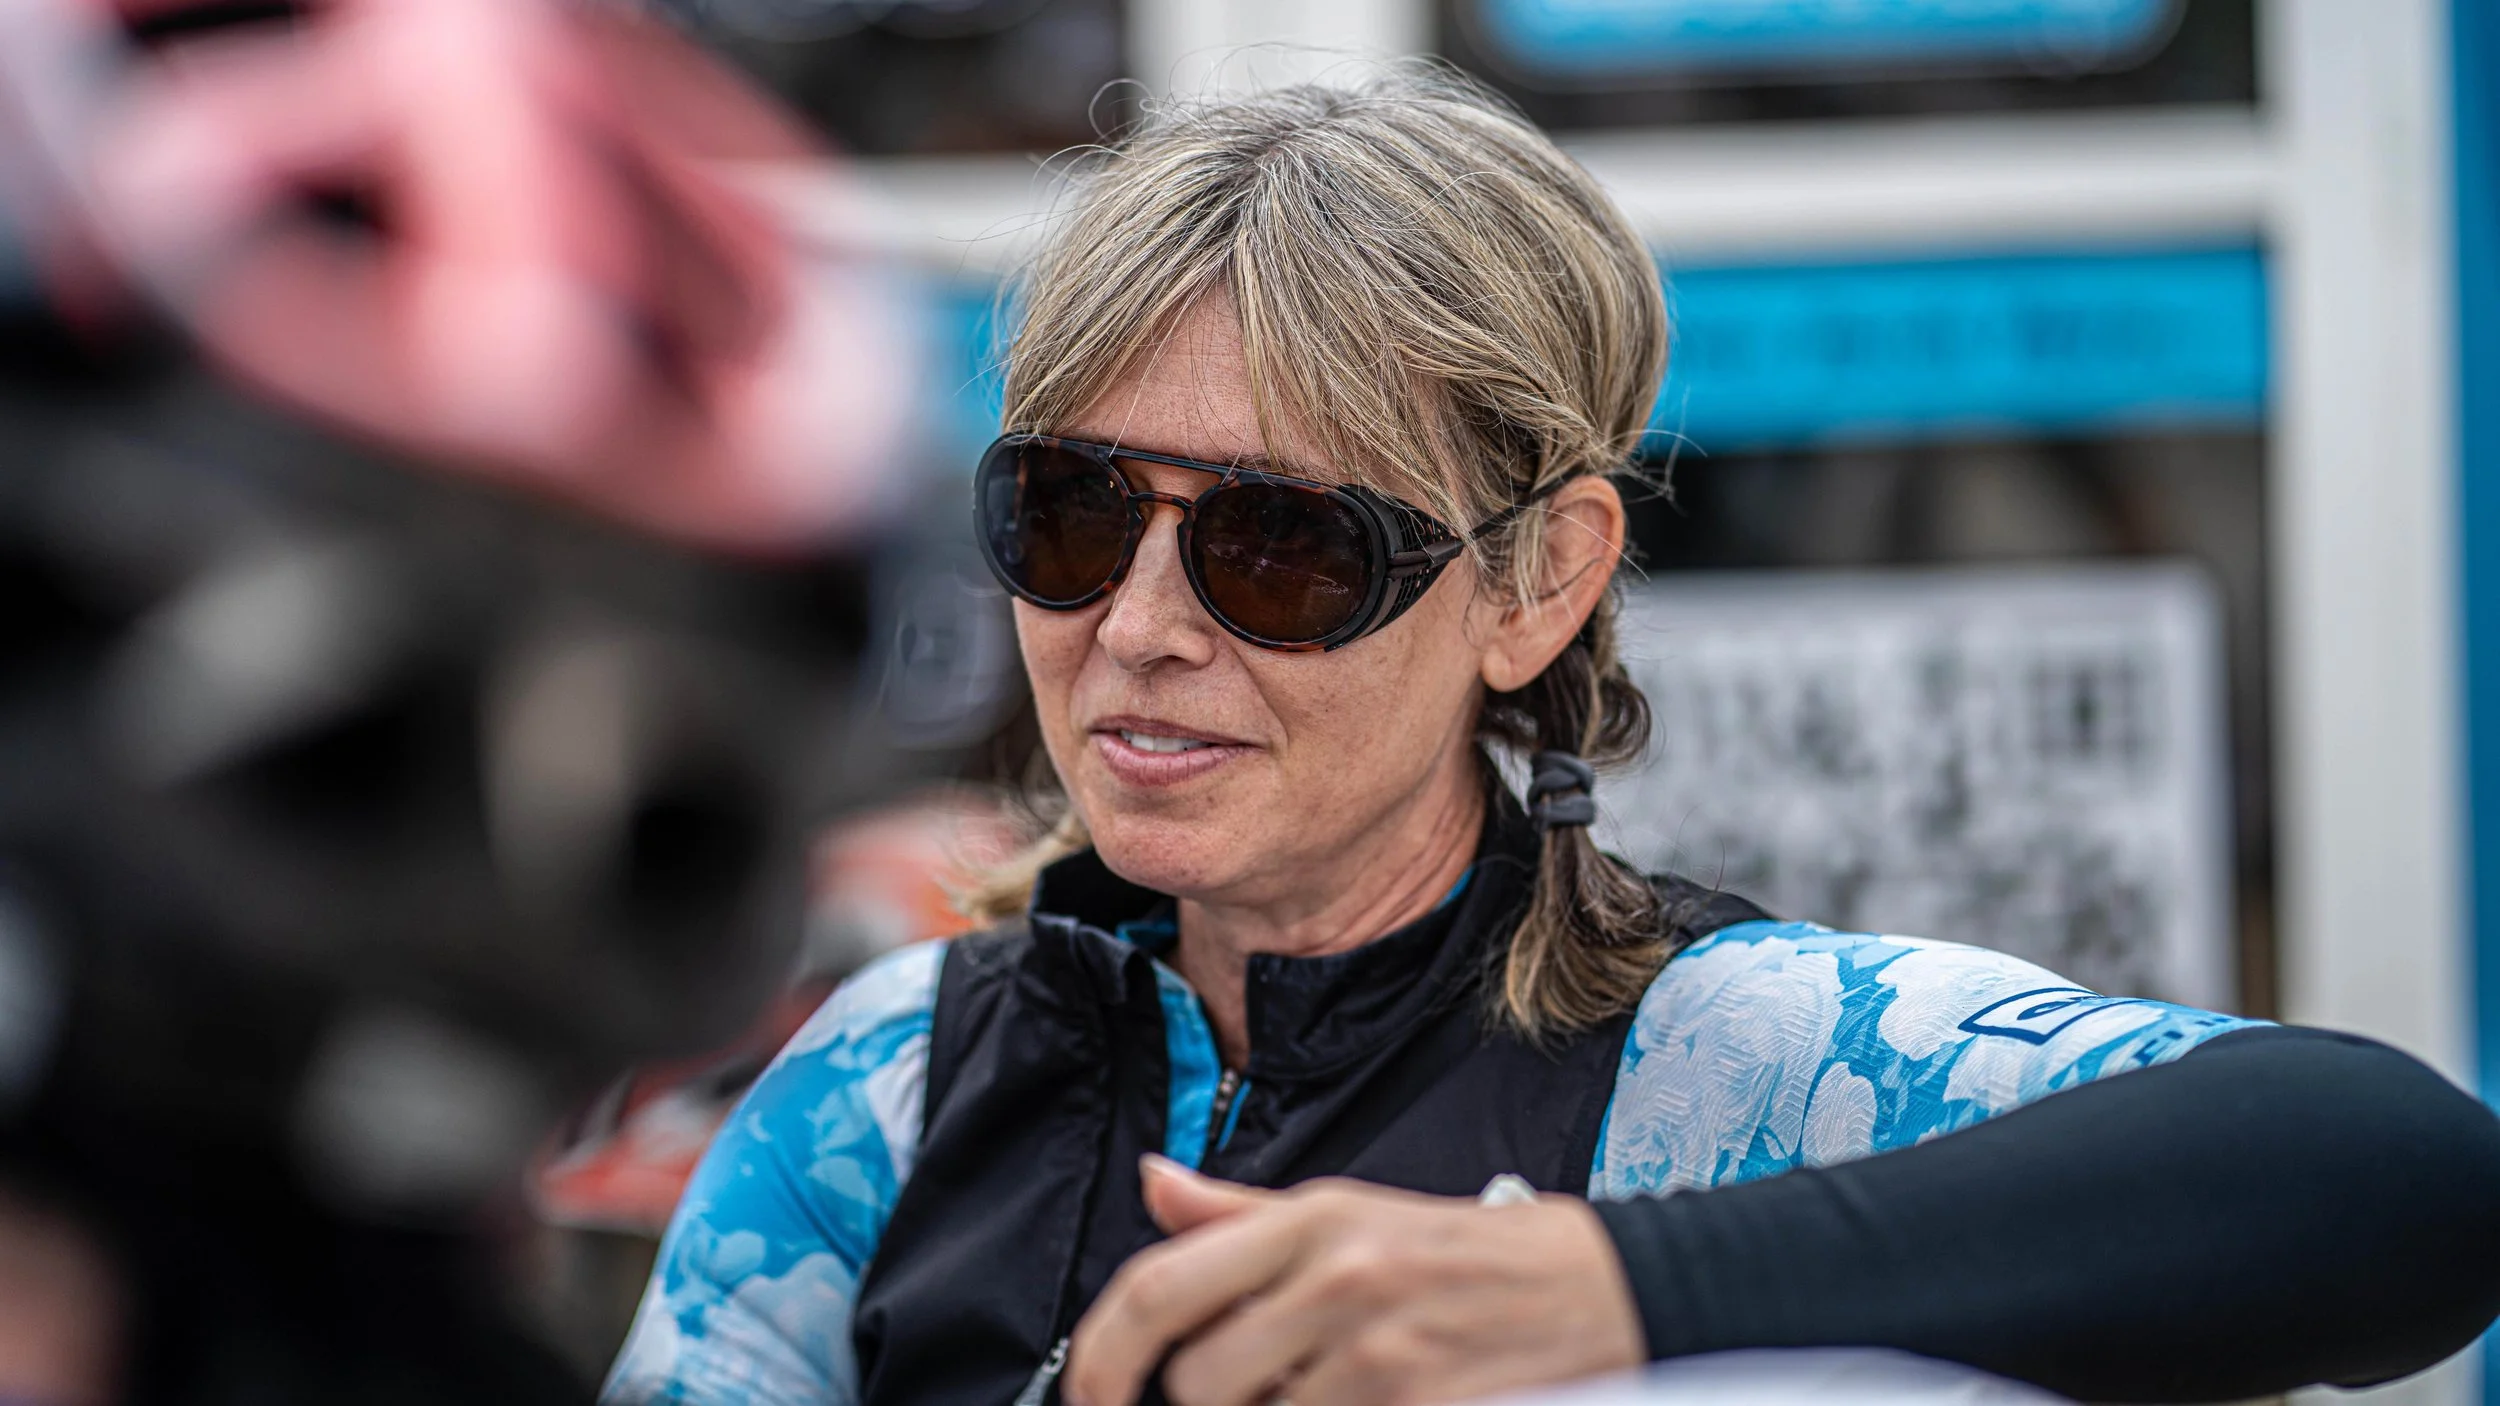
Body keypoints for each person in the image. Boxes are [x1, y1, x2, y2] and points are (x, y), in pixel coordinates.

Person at [604, 66, 2500, 1406]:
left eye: (1282, 539)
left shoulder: (1726, 1059)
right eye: (1073, 516)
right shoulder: (892, 1082)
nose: (1142, 629)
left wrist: (1591, 1292)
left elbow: (2401, 1176)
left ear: (1537, 583)